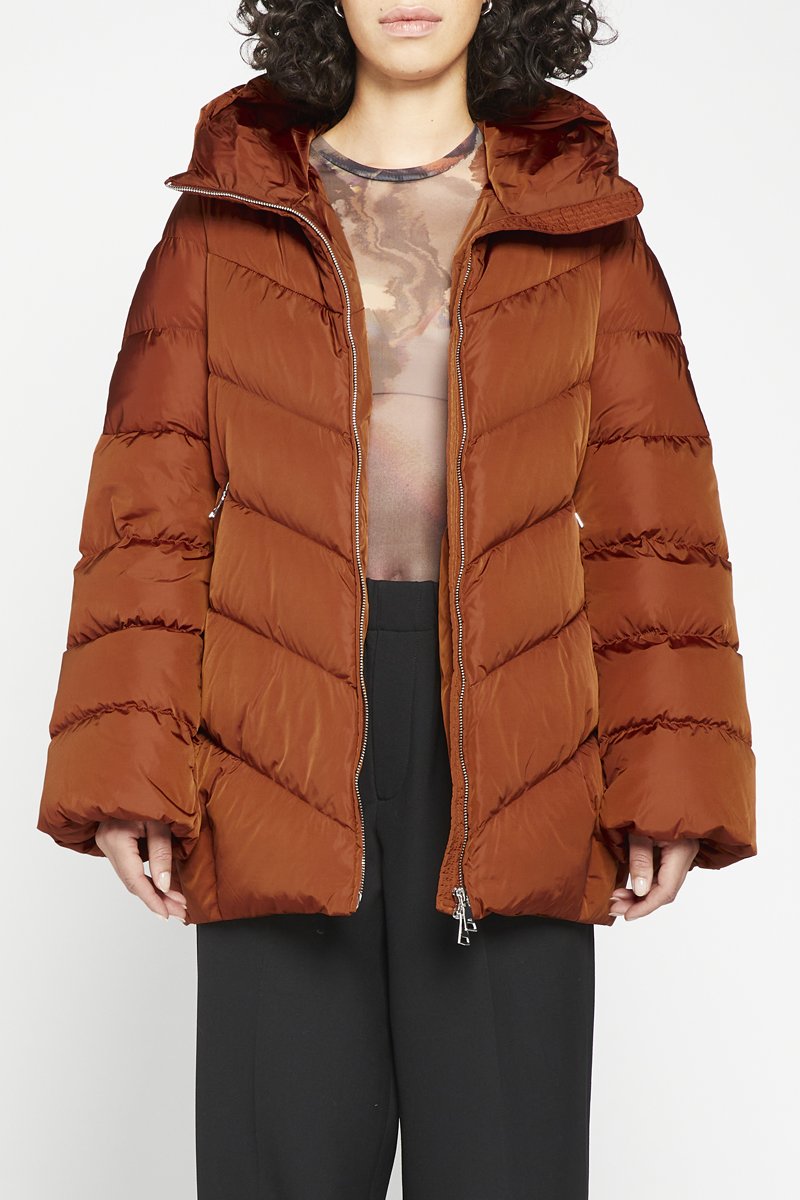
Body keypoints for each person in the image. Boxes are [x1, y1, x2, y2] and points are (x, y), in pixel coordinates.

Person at [36, 2, 757, 1197]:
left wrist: (669, 779)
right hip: (271, 737)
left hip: (517, 742)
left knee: (506, 1169)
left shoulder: (584, 228)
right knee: (278, 1168)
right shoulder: (223, 221)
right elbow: (146, 515)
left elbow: (654, 526)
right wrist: (128, 773)